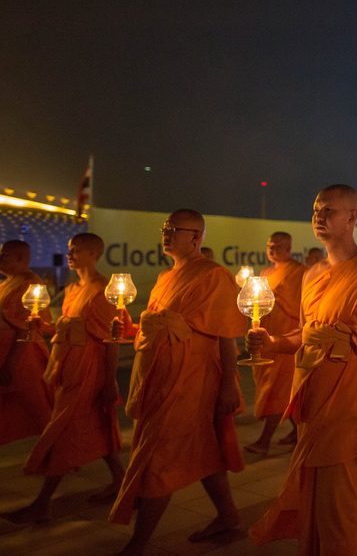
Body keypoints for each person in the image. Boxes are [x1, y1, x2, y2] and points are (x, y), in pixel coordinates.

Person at [248, 185, 357, 555]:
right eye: (317, 209)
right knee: (322, 491)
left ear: (352, 217)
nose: (319, 216)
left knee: (343, 498)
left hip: (350, 404)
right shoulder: (313, 273)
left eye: (329, 210)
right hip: (313, 396)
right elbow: (308, 332)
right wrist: (274, 344)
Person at [108, 210, 244, 555]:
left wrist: (229, 385)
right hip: (159, 378)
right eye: (164, 229)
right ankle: (227, 516)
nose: (166, 234)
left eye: (173, 230)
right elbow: (160, 327)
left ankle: (138, 543)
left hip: (190, 382)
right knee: (202, 450)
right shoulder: (167, 276)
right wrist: (130, 330)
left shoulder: (214, 275)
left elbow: (226, 336)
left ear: (196, 237)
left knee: (158, 458)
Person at [1, 233, 124, 523]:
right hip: (68, 366)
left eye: (76, 250)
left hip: (89, 369)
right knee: (93, 427)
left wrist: (109, 381)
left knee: (62, 431)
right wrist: (42, 325)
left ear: (94, 254)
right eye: (69, 250)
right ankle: (121, 481)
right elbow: (66, 329)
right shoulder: (72, 289)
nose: (69, 255)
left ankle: (41, 504)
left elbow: (111, 339)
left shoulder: (103, 289)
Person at [0, 240, 53, 489]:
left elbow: (29, 325)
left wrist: (10, 364)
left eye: (4, 256)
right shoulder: (7, 284)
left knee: (41, 413)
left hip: (18, 359)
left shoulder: (30, 283)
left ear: (20, 260)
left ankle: (60, 457)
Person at [245, 232, 306, 455]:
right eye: (270, 245)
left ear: (289, 248)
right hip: (265, 336)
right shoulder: (266, 272)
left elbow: (300, 306)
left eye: (278, 246)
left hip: (284, 340)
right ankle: (298, 432)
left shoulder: (298, 271)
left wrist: (275, 297)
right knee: (279, 391)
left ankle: (264, 441)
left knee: (276, 390)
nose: (272, 249)